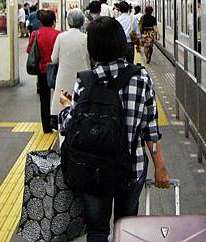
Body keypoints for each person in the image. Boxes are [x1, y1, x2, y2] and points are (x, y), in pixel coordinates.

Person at [58, 17, 169, 242]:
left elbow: (68, 126)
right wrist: (160, 167)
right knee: (126, 229)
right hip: (131, 167)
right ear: (121, 43)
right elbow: (150, 129)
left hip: (92, 169)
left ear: (93, 48)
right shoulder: (141, 77)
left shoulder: (85, 80)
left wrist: (66, 107)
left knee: (97, 231)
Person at [50, 9, 90, 119]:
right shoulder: (86, 38)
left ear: (68, 21)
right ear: (82, 22)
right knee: (82, 109)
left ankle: (63, 133)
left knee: (63, 109)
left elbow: (54, 59)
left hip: (64, 78)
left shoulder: (61, 37)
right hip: (84, 78)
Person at [27, 10, 60, 133]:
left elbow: (29, 50)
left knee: (44, 99)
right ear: (53, 21)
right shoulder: (59, 34)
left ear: (40, 22)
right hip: (56, 69)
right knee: (58, 97)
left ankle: (46, 126)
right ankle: (57, 122)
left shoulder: (35, 34)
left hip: (42, 70)